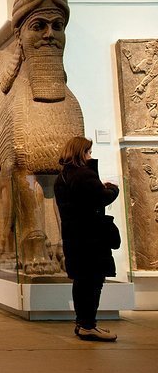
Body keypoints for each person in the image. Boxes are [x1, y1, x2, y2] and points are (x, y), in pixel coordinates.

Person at [54, 136, 120, 342]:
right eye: (88, 152)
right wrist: (113, 189)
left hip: (74, 237)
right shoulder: (83, 174)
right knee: (92, 281)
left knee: (82, 281)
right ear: (81, 153)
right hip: (90, 237)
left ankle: (83, 322)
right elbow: (102, 197)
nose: (91, 155)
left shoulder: (62, 177)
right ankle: (88, 324)